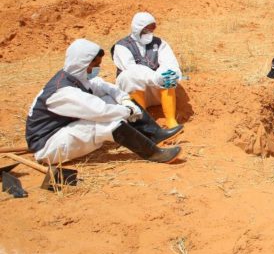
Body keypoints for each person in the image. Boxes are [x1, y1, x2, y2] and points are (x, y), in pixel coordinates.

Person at [26, 39, 183, 165]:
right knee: (105, 122)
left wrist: (124, 99)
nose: (96, 69)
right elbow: (100, 112)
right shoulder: (63, 92)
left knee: (111, 99)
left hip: (61, 131)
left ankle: (154, 133)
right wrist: (127, 111)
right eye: (95, 65)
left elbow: (103, 86)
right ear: (83, 64)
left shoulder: (74, 77)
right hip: (48, 147)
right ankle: (153, 153)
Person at [112, 12, 183, 128]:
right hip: (135, 92)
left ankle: (171, 120)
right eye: (145, 30)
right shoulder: (122, 46)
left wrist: (163, 75)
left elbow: (169, 62)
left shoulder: (159, 43)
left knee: (169, 74)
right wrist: (154, 78)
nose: (149, 33)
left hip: (156, 91)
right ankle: (142, 122)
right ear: (137, 29)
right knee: (128, 76)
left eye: (151, 29)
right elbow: (132, 69)